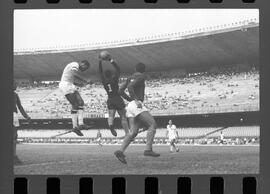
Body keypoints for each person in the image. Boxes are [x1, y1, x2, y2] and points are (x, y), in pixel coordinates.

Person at [114, 63, 160, 164]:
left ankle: (120, 151)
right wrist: (135, 99)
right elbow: (131, 86)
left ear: (134, 69)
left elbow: (120, 91)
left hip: (130, 106)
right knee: (152, 124)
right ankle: (148, 150)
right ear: (144, 70)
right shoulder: (142, 76)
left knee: (133, 132)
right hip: (136, 104)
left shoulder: (129, 77)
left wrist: (130, 99)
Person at [99, 54, 130, 137]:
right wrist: (111, 60)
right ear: (111, 74)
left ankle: (111, 125)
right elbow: (118, 69)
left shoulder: (104, 82)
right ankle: (127, 133)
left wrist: (100, 62)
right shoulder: (114, 79)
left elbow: (100, 72)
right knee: (123, 117)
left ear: (105, 76)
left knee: (111, 116)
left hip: (110, 99)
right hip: (117, 98)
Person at [59, 60, 91, 136]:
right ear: (82, 63)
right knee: (75, 104)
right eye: (85, 68)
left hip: (70, 84)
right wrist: (85, 80)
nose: (84, 70)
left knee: (81, 103)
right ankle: (75, 127)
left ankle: (81, 124)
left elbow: (72, 80)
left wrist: (82, 84)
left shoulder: (74, 69)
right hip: (65, 85)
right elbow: (74, 75)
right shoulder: (75, 64)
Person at [14, 82, 31, 165]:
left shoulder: (15, 95)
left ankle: (13, 156)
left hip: (14, 116)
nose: (16, 86)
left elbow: (20, 107)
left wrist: (26, 116)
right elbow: (20, 107)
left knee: (14, 136)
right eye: (14, 84)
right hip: (12, 115)